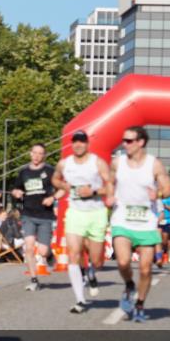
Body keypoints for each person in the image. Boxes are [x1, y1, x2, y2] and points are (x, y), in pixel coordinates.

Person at [108, 126, 170, 323]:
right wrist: (109, 195)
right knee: (122, 261)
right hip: (122, 219)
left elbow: (169, 187)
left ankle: (140, 304)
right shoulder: (117, 163)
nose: (124, 144)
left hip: (146, 222)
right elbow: (109, 182)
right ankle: (129, 285)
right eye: (124, 140)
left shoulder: (154, 165)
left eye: (129, 141)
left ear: (141, 142)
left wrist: (159, 194)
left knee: (145, 269)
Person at [52, 129, 112, 310]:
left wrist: (93, 191)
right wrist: (63, 185)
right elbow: (55, 179)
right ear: (72, 144)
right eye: (75, 141)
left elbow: (110, 186)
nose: (78, 144)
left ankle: (92, 273)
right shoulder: (64, 164)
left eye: (82, 141)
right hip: (75, 212)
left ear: (87, 144)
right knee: (74, 253)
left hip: (96, 213)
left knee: (97, 259)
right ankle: (80, 300)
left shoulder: (97, 162)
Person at [12, 144, 56, 291]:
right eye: (34, 153)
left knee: (42, 251)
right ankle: (34, 279)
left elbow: (61, 188)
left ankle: (49, 255)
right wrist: (17, 193)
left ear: (44, 155)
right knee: (29, 248)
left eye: (40, 153)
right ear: (30, 154)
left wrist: (52, 198)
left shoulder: (50, 171)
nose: (37, 156)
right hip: (28, 214)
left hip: (45, 215)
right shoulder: (23, 172)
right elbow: (17, 188)